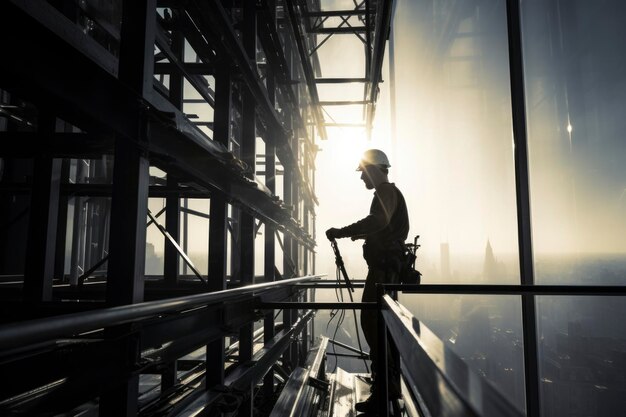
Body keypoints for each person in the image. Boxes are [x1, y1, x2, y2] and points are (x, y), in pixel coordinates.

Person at [326, 149, 409, 414]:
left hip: (383, 272)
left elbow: (379, 220)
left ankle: (382, 390)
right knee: (380, 327)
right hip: (387, 269)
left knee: (372, 325)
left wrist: (343, 231)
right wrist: (365, 236)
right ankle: (389, 385)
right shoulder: (389, 193)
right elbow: (384, 226)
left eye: (363, 173)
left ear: (373, 169)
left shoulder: (385, 192)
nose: (362, 179)